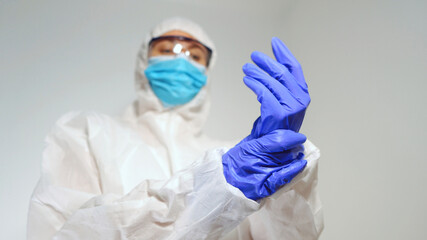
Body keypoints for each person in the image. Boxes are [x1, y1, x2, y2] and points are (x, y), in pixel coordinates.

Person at [27, 17, 323, 239]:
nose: (181, 62)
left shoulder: (239, 156)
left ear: (207, 72)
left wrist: (286, 170)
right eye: (167, 50)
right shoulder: (87, 134)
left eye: (194, 56)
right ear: (144, 60)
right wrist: (217, 185)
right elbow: (67, 231)